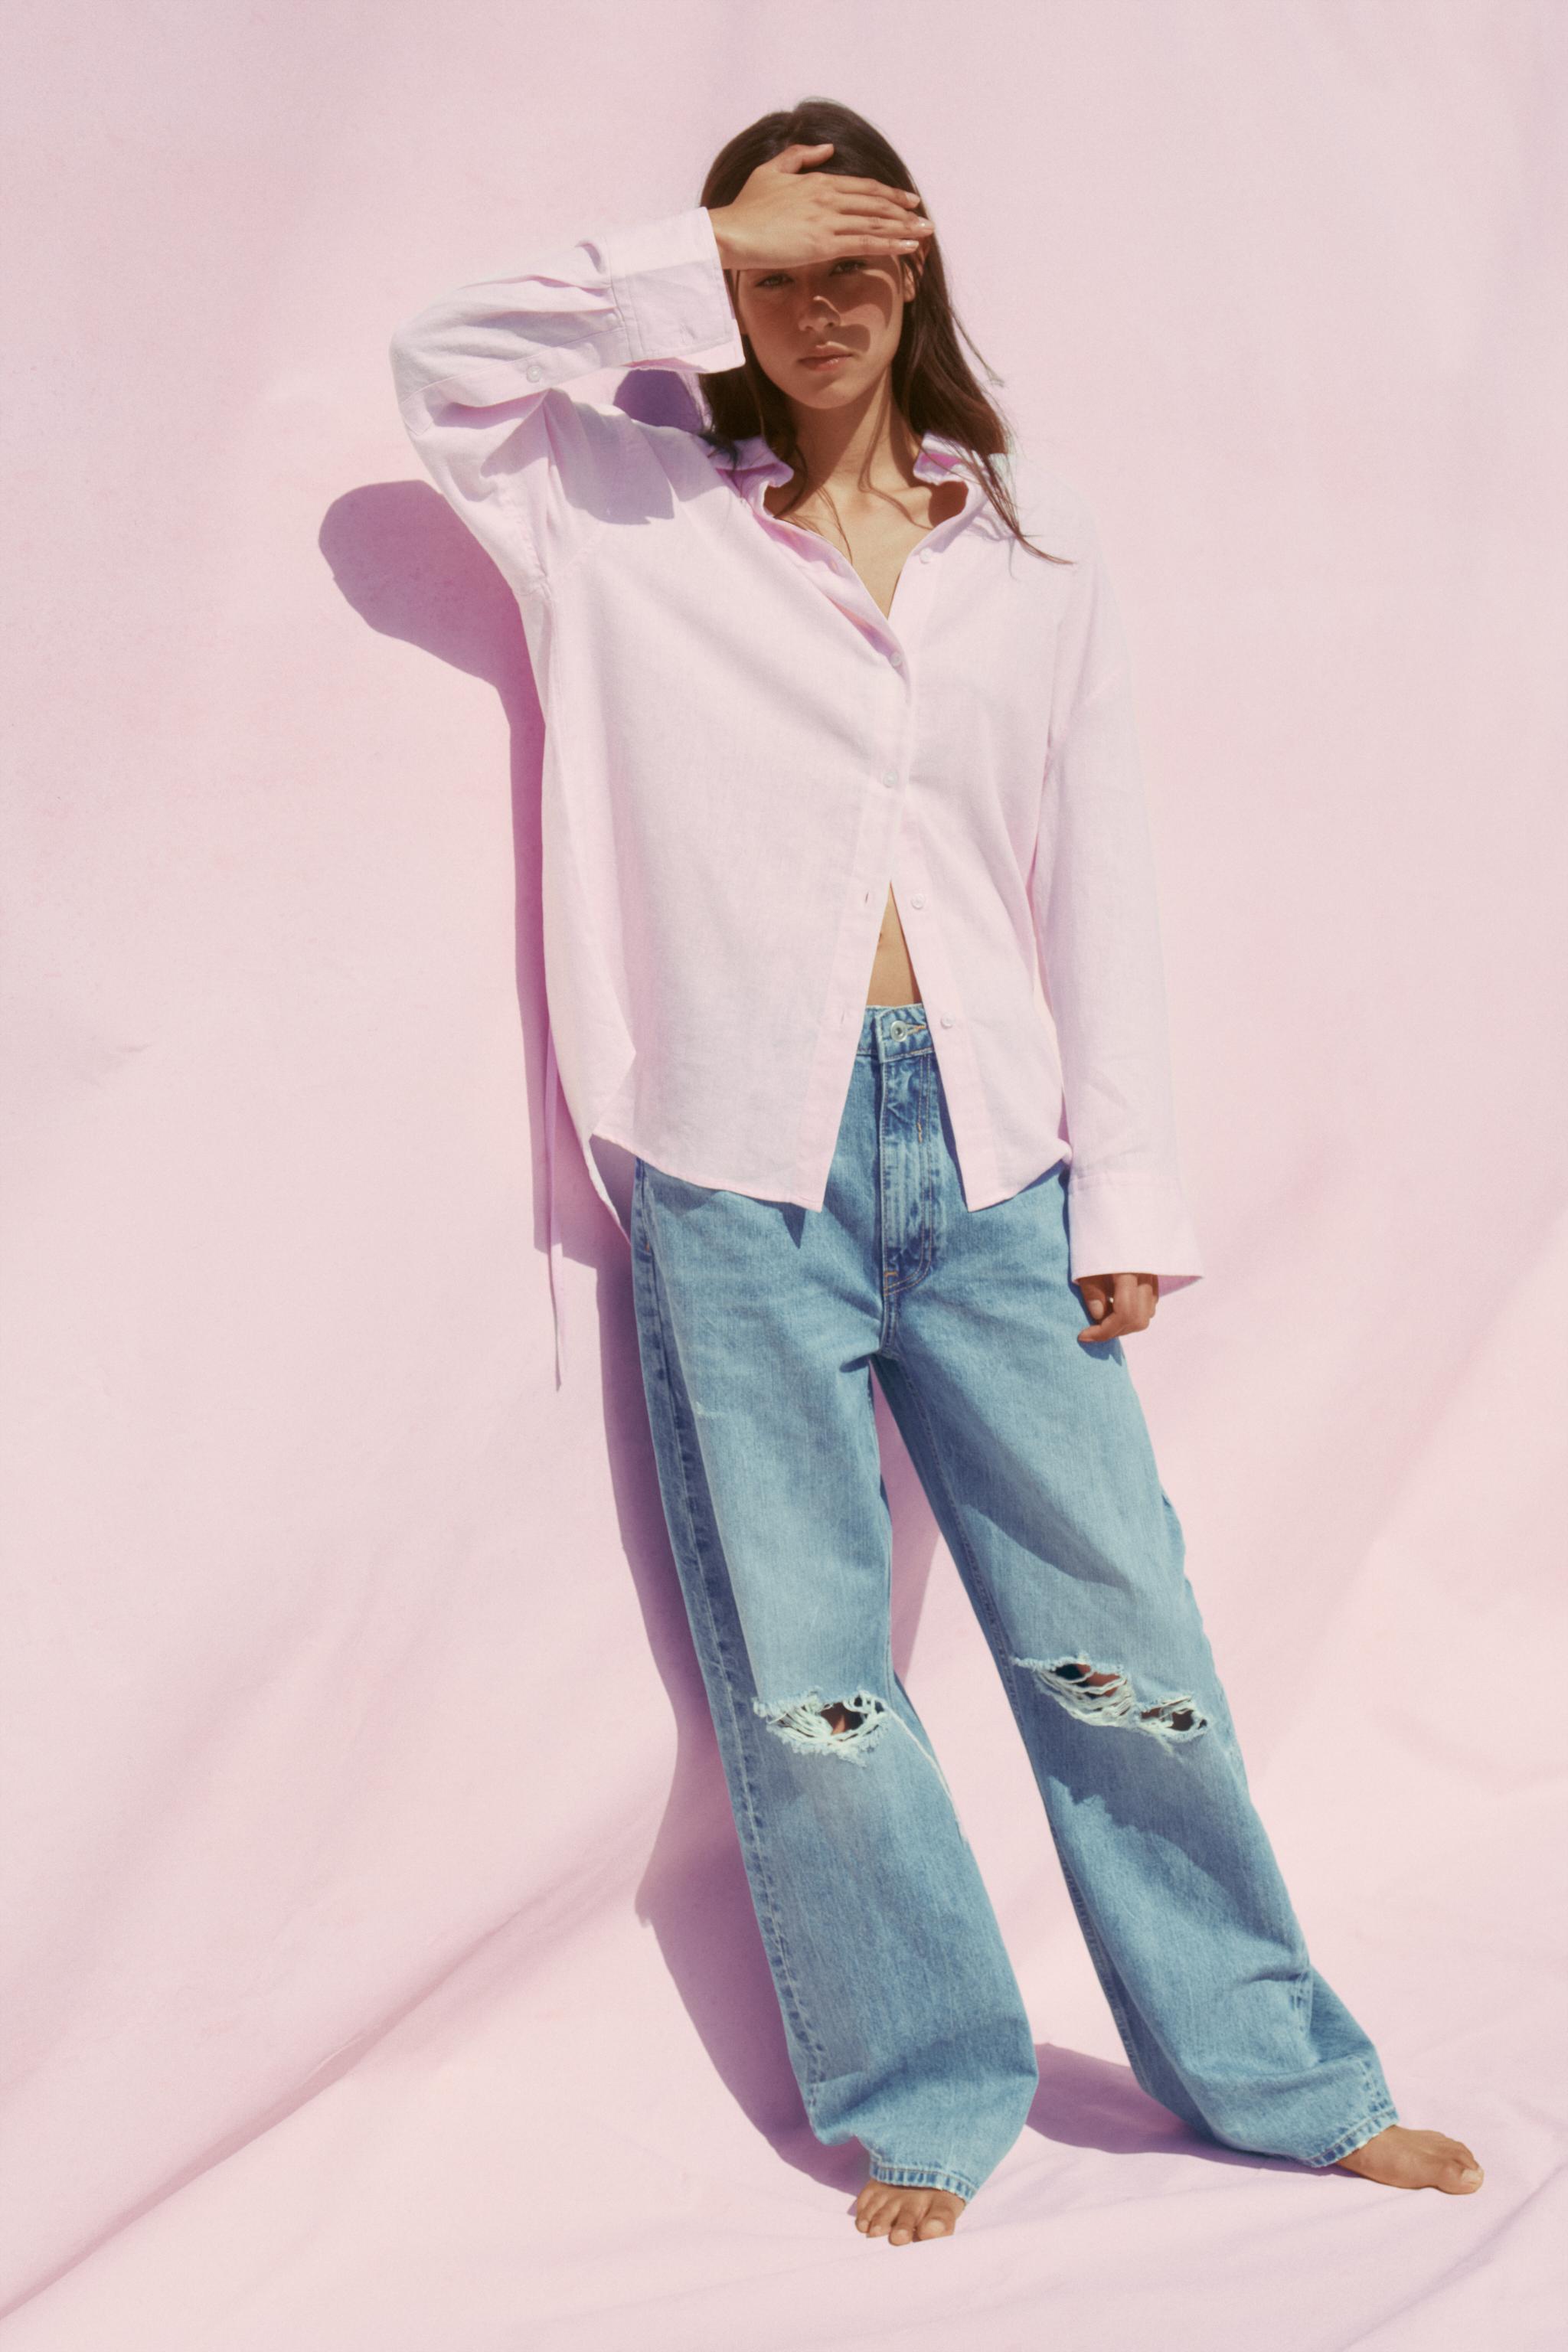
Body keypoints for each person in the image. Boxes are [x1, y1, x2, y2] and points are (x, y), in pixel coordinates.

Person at [389, 98, 1483, 2247]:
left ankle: (1275, 2074)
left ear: (918, 276)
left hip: (991, 1159)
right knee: (808, 1675)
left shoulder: (1032, 548)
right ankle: (925, 2089)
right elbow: (440, 360)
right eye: (778, 273)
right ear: (730, 285)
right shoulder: (618, 512)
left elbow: (1099, 880)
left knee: (1122, 1635)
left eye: (855, 264)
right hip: (738, 1169)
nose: (819, 308)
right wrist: (701, 237)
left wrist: (1128, 1195)